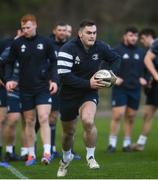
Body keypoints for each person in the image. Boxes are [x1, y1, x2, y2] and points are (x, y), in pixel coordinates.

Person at [56, 19, 121, 177]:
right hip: (68, 94)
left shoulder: (101, 47)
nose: (92, 36)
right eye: (89, 33)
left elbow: (116, 59)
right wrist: (88, 83)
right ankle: (65, 159)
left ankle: (90, 156)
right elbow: (64, 77)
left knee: (88, 120)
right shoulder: (67, 49)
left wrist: (110, 75)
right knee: (68, 133)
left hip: (88, 93)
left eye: (94, 33)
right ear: (80, 34)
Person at [5, 14, 58, 166]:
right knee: (29, 121)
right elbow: (9, 62)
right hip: (25, 88)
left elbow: (54, 62)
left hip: (42, 87)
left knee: (43, 118)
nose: (25, 30)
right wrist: (9, 80)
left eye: (28, 27)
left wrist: (54, 80)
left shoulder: (45, 42)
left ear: (35, 25)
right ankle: (31, 154)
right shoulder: (17, 43)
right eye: (23, 28)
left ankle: (46, 153)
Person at [106, 27, 147, 153]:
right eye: (131, 35)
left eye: (135, 36)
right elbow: (105, 66)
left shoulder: (141, 52)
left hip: (135, 89)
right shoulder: (116, 50)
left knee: (131, 116)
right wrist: (113, 79)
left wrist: (145, 78)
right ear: (125, 36)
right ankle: (112, 144)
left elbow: (148, 68)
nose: (133, 38)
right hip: (120, 89)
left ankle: (126, 143)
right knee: (118, 115)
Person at [131, 28, 158, 151]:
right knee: (147, 115)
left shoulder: (155, 44)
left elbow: (148, 61)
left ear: (148, 36)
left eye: (142, 39)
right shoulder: (150, 50)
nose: (141, 42)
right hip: (153, 88)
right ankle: (141, 144)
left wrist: (156, 76)